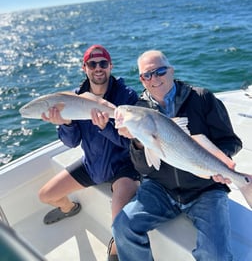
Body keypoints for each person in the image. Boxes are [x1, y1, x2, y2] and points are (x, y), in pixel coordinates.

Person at [112, 50, 242, 261]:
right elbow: (144, 168)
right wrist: (136, 140)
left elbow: (231, 141)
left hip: (205, 188)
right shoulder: (139, 111)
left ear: (171, 70)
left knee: (216, 254)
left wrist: (217, 164)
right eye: (147, 75)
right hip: (161, 189)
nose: (154, 78)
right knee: (122, 227)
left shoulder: (202, 98)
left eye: (160, 71)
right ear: (142, 80)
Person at [39, 44, 141, 261]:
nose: (98, 68)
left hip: (124, 168)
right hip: (92, 165)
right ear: (84, 67)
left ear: (110, 66)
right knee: (46, 195)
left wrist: (106, 128)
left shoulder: (127, 96)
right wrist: (65, 123)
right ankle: (70, 208)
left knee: (120, 224)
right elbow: (72, 142)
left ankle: (114, 250)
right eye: (92, 64)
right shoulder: (73, 98)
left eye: (103, 63)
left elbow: (131, 143)